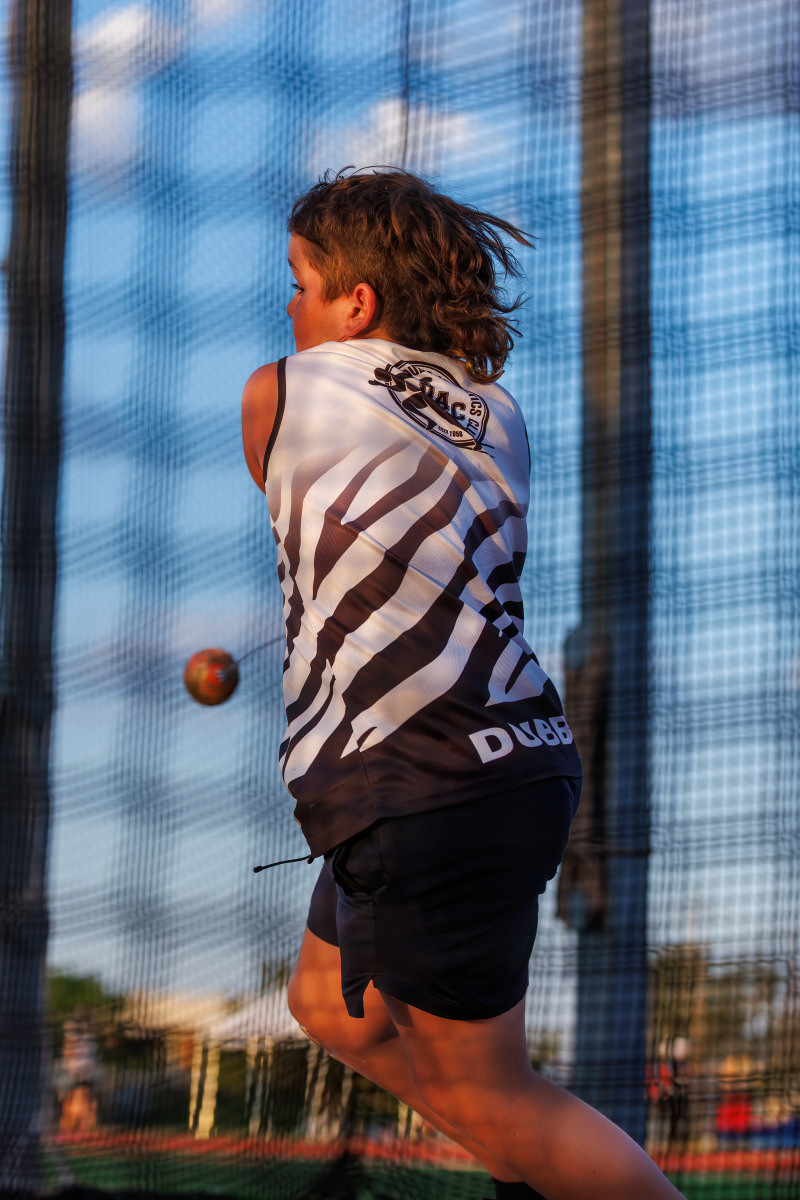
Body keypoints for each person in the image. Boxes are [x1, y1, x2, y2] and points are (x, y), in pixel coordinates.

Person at [241, 168, 685, 1200]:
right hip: (504, 762)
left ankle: (548, 1166)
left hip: (418, 779)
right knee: (329, 1008)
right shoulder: (498, 412)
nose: (291, 306)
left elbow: (286, 482)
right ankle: (535, 1173)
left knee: (496, 1095)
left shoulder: (278, 391)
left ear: (357, 302)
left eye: (302, 284)